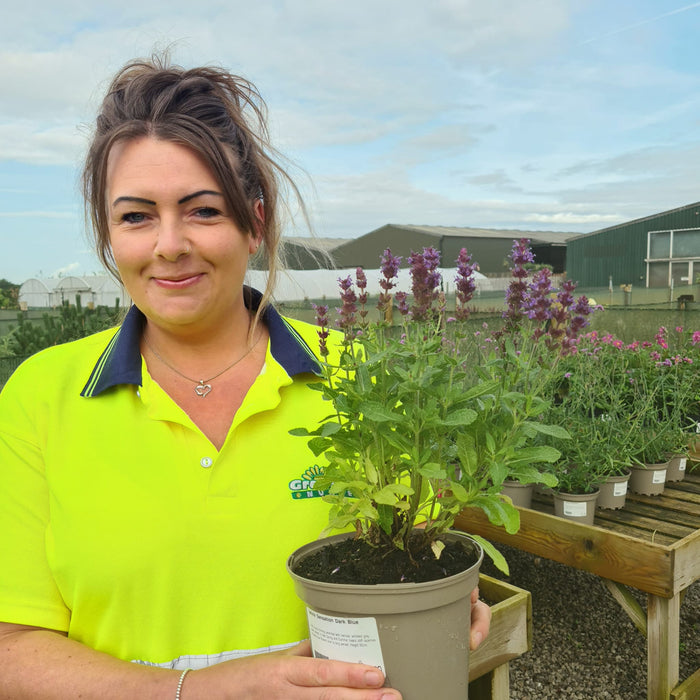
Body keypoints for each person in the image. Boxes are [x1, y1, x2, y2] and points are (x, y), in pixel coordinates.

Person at [0, 56, 490, 699]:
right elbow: (11, 652)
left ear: (255, 221)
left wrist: (444, 591)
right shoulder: (42, 394)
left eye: (202, 210)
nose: (169, 244)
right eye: (136, 216)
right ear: (108, 234)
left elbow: (409, 547)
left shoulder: (360, 377)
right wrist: (197, 692)